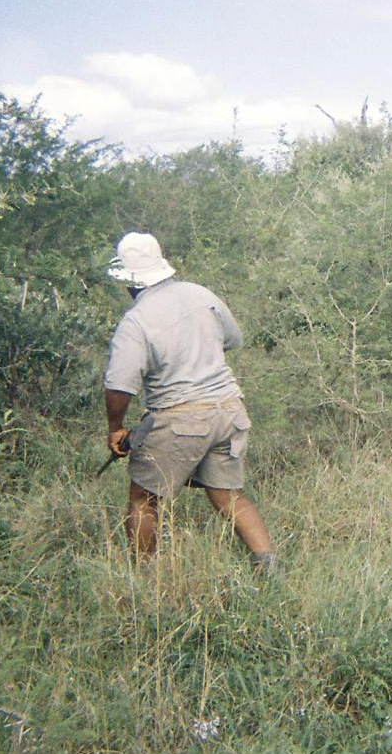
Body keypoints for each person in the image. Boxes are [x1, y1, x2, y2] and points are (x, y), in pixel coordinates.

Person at [102, 231, 277, 572]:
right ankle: (270, 567)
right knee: (228, 495)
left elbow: (119, 386)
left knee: (143, 500)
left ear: (128, 280)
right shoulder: (200, 294)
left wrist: (115, 429)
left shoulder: (135, 321)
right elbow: (233, 339)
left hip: (180, 418)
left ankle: (145, 583)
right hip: (229, 410)